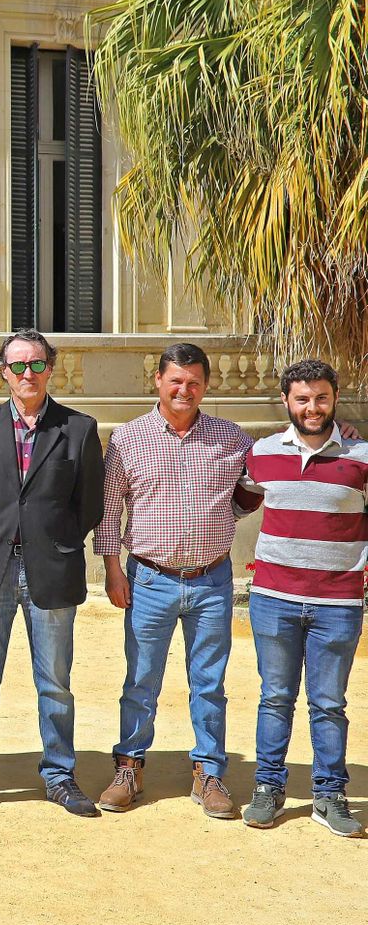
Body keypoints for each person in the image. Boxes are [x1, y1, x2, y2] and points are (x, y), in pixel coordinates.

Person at [92, 343, 252, 817]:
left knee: (209, 681)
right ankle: (129, 766)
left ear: (205, 385)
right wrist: (112, 569)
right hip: (149, 579)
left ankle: (209, 772)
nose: (185, 389)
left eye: (195, 381)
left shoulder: (232, 438)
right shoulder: (127, 438)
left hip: (211, 580)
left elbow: (250, 493)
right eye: (176, 380)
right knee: (141, 678)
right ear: (158, 381)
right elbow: (108, 508)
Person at [0, 330, 103, 816]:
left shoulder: (78, 428)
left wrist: (50, 539)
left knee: (55, 682)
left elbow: (90, 505)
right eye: (17, 366)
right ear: (3, 373)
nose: (27, 374)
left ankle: (59, 775)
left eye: (36, 365)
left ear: (50, 370)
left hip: (51, 569)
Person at [236, 359, 368, 837]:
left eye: (321, 398)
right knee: (275, 698)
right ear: (287, 402)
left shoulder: (362, 455)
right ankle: (268, 790)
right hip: (274, 598)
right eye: (302, 399)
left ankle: (330, 796)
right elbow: (233, 501)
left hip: (338, 602)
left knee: (329, 703)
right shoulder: (263, 452)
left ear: (335, 397)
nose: (312, 407)